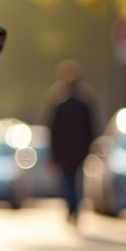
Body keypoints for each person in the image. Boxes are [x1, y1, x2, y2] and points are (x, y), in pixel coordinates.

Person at [48, 59, 95, 224]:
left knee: (68, 181)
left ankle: (72, 208)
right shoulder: (84, 104)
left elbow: (52, 131)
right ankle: (74, 208)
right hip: (79, 151)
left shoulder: (60, 105)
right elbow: (91, 129)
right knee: (76, 180)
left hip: (64, 152)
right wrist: (89, 148)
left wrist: (53, 154)